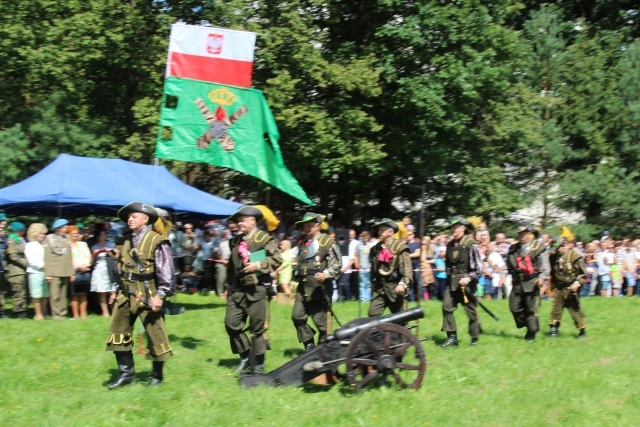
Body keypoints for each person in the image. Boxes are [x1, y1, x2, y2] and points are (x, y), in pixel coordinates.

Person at [105, 202, 176, 389]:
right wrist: (114, 289)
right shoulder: (123, 240)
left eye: (134, 216)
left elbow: (166, 271)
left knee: (156, 335)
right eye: (128, 217)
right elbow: (119, 268)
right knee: (117, 332)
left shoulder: (157, 240)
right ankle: (126, 375)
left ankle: (157, 377)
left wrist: (161, 295)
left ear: (145, 219)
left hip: (149, 294)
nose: (129, 219)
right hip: (125, 293)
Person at [225, 206, 282, 372]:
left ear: (253, 221)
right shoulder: (234, 241)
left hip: (257, 290)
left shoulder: (265, 239)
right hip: (237, 290)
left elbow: (277, 259)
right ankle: (244, 355)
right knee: (231, 324)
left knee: (258, 329)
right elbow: (231, 266)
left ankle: (258, 365)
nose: (239, 223)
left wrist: (258, 265)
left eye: (243, 220)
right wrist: (229, 286)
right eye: (238, 220)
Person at [292, 212, 342, 351]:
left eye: (309, 226)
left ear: (318, 226)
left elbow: (337, 264)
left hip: (319, 290)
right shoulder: (303, 243)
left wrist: (325, 274)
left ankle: (322, 352)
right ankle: (309, 345)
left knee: (323, 326)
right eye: (304, 226)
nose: (306, 229)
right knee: (297, 316)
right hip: (303, 289)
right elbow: (299, 261)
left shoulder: (328, 242)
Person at [440, 216, 483, 348]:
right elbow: (448, 263)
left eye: (455, 227)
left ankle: (474, 338)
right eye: (451, 228)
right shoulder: (450, 245)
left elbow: (479, 268)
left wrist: (468, 278)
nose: (452, 230)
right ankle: (452, 337)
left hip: (466, 285)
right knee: (446, 307)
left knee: (471, 312)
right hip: (452, 283)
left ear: (463, 228)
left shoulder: (471, 244)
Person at [506, 223, 550, 342]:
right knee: (514, 307)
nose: (520, 236)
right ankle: (530, 325)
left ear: (529, 234)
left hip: (532, 282)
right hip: (518, 283)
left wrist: (542, 278)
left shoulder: (538, 247)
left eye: (523, 233)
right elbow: (509, 264)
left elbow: (545, 266)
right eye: (519, 233)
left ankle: (531, 333)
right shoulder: (513, 248)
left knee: (531, 309)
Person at [368, 219, 412, 317]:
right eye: (378, 230)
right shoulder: (374, 250)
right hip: (380, 289)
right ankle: (380, 332)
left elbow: (407, 271)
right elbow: (373, 270)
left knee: (401, 319)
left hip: (395, 288)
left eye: (382, 230)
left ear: (390, 232)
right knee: (372, 314)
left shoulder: (400, 248)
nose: (379, 232)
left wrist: (402, 284)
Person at [548, 236, 588, 338]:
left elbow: (584, 274)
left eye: (557, 249)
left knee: (575, 310)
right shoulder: (552, 258)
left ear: (564, 245)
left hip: (571, 288)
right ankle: (554, 330)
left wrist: (577, 283)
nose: (556, 251)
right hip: (558, 288)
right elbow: (552, 273)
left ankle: (582, 331)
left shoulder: (575, 256)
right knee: (556, 310)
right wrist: (550, 287)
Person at [43, 219, 75, 320]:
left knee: (63, 294)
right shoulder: (50, 238)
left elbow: (70, 257)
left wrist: (72, 273)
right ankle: (56, 315)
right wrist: (48, 273)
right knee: (54, 294)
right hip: (54, 271)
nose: (66, 229)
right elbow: (47, 257)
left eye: (66, 227)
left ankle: (63, 314)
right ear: (59, 228)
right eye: (64, 227)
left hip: (65, 270)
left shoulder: (67, 238)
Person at [90, 230, 117, 317]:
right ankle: (105, 312)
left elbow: (116, 257)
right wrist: (94, 255)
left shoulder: (111, 244)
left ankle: (113, 311)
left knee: (112, 291)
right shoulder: (95, 247)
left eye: (104, 235)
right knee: (102, 292)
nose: (102, 237)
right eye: (100, 235)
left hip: (110, 269)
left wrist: (110, 253)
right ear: (98, 237)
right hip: (99, 270)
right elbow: (91, 262)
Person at [25, 223, 49, 320]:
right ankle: (38, 314)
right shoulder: (30, 245)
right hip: (35, 272)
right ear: (35, 234)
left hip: (46, 272)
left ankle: (43, 313)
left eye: (44, 234)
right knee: (36, 294)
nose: (44, 236)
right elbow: (31, 260)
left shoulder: (44, 245)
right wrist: (41, 266)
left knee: (45, 294)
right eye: (41, 234)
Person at [68, 225, 92, 319]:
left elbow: (88, 256)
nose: (75, 235)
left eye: (76, 233)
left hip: (85, 271)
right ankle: (75, 314)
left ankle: (83, 314)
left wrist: (85, 265)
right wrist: (77, 266)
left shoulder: (83, 244)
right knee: (74, 294)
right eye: (73, 233)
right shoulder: (67, 245)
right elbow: (67, 259)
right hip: (73, 271)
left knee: (83, 293)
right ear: (68, 234)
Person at [5, 222, 28, 319]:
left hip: (22, 271)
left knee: (23, 292)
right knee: (18, 292)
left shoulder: (20, 240)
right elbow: (13, 255)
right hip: (15, 271)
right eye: (22, 230)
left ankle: (23, 311)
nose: (24, 232)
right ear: (18, 231)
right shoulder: (11, 240)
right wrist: (25, 262)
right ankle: (18, 312)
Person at [358, 231, 375, 302]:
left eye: (367, 238)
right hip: (361, 267)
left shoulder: (370, 245)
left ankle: (368, 298)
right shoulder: (359, 245)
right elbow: (357, 255)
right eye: (364, 238)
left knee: (368, 283)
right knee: (362, 284)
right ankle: (363, 298)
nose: (365, 239)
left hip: (368, 267)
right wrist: (358, 264)